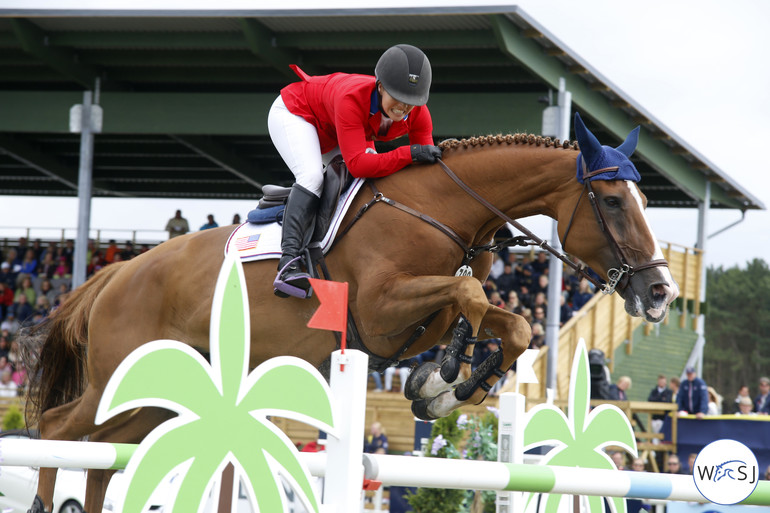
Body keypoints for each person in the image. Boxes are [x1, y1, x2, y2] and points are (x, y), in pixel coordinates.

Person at [268, 44, 439, 298]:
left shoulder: (419, 114)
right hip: (298, 114)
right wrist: (408, 154)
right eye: (398, 97)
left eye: (411, 102)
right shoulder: (352, 98)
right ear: (380, 86)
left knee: (367, 186)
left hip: (339, 129)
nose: (404, 107)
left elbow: (426, 169)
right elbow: (360, 164)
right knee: (313, 176)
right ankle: (289, 263)